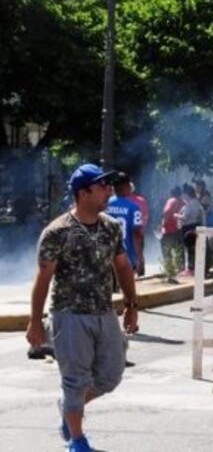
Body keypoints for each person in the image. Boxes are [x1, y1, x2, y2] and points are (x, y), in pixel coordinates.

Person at [26, 164, 139, 452]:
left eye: (109, 186)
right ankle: (77, 439)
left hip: (104, 312)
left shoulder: (110, 227)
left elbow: (123, 267)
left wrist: (131, 305)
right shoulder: (57, 232)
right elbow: (43, 278)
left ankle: (68, 407)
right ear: (83, 193)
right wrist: (35, 321)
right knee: (75, 380)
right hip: (69, 315)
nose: (109, 191)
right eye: (102, 186)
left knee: (111, 375)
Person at [106, 176, 142, 272]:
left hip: (107, 254)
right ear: (125, 186)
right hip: (127, 255)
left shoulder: (104, 205)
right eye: (129, 185)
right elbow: (136, 234)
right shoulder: (134, 207)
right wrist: (139, 256)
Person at [175, 184, 204, 277]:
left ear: (187, 194)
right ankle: (195, 268)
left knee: (190, 249)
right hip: (195, 226)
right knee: (194, 248)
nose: (182, 196)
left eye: (183, 194)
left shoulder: (190, 204)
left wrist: (176, 215)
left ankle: (191, 269)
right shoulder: (197, 202)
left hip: (189, 227)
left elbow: (185, 217)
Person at [123, 175, 149, 277]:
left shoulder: (122, 201)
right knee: (139, 252)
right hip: (138, 231)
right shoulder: (141, 200)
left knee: (124, 253)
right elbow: (145, 216)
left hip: (124, 233)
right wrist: (142, 227)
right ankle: (141, 272)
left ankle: (128, 274)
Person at [160, 186, 184, 273]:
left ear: (172, 193)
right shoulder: (183, 202)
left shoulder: (172, 200)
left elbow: (166, 212)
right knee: (179, 251)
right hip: (179, 231)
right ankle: (181, 269)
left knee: (167, 252)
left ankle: (169, 270)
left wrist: (163, 224)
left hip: (169, 231)